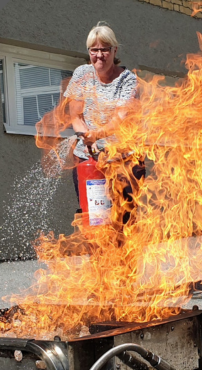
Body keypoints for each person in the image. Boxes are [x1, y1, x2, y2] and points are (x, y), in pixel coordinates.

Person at [63, 22, 144, 225]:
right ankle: (98, 257)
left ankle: (125, 257)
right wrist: (86, 137)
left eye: (104, 50)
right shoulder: (82, 73)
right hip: (88, 159)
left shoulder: (128, 80)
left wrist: (96, 136)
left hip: (124, 160)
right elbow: (76, 116)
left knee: (125, 219)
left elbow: (120, 118)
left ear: (114, 50)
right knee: (94, 218)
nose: (99, 55)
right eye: (94, 50)